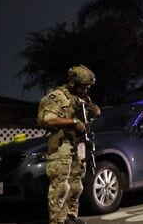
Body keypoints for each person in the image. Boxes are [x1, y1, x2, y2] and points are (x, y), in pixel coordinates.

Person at [38, 64, 101, 224]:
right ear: (73, 83)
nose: (86, 90)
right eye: (83, 87)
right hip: (61, 146)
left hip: (79, 145)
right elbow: (48, 119)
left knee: (76, 186)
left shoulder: (84, 99)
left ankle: (71, 217)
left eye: (88, 87)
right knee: (61, 187)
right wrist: (72, 122)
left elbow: (87, 122)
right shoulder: (57, 96)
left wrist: (95, 113)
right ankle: (57, 220)